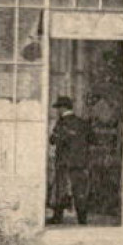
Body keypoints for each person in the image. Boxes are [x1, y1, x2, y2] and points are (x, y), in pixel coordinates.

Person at [48, 96, 93, 224]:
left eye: (58, 108)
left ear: (62, 109)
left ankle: (57, 217)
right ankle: (82, 219)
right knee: (80, 190)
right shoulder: (83, 123)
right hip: (80, 162)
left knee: (60, 189)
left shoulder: (61, 123)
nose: (58, 111)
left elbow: (52, 140)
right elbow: (92, 139)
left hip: (64, 162)